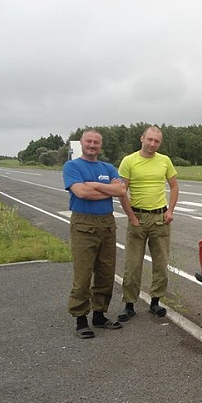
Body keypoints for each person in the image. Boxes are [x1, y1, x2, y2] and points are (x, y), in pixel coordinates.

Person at [63, 130, 127, 338]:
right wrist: (108, 188)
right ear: (81, 143)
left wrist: (97, 186)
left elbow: (121, 191)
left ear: (101, 145)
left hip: (107, 223)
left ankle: (99, 315)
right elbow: (81, 193)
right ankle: (81, 319)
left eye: (96, 142)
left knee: (106, 273)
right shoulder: (72, 166)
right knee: (83, 274)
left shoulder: (107, 167)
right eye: (89, 141)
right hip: (83, 223)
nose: (92, 145)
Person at [117, 126, 179, 321]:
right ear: (142, 138)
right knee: (133, 264)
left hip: (160, 218)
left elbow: (175, 186)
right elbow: (121, 191)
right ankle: (129, 304)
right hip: (138, 217)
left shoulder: (165, 161)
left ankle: (155, 302)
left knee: (161, 263)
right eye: (149, 139)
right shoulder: (129, 161)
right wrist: (131, 217)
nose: (152, 144)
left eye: (157, 141)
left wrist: (170, 210)